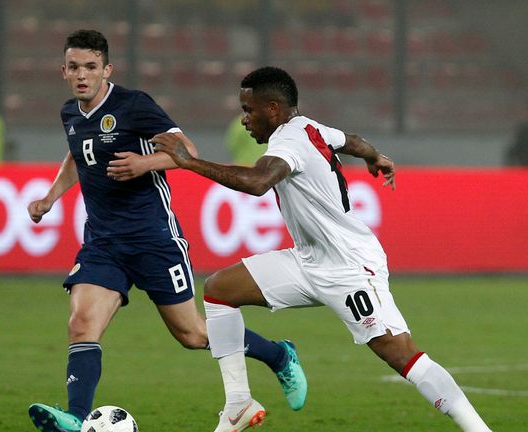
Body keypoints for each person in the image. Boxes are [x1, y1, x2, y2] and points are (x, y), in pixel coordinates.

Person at [152, 66, 492, 432]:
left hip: (350, 268)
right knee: (219, 290)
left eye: (248, 110)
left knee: (401, 355)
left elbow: (257, 182)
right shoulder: (309, 127)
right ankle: (238, 403)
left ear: (273, 109)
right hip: (309, 259)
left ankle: (477, 428)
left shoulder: (289, 141)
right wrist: (374, 156)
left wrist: (186, 163)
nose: (244, 119)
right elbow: (351, 140)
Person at [25, 31, 306, 432]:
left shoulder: (133, 106)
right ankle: (76, 416)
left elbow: (184, 149)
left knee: (192, 334)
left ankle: (279, 355)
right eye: (74, 67)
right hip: (103, 242)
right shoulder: (71, 113)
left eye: (90, 67)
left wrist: (145, 164)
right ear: (64, 72)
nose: (82, 75)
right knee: (81, 324)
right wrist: (51, 197)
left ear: (107, 69)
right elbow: (77, 154)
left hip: (153, 238)